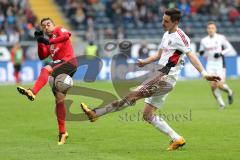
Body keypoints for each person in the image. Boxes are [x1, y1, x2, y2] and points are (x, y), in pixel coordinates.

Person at [80, 8, 221, 151]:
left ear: (176, 22)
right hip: (160, 76)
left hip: (164, 78)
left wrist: (204, 74)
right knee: (147, 115)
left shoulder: (180, 37)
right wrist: (145, 62)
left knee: (131, 96)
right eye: (163, 19)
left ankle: (95, 114)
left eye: (166, 21)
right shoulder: (166, 34)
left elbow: (191, 55)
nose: (162, 23)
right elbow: (159, 54)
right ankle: (177, 139)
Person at [16, 17, 77, 145]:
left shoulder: (59, 29)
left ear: (53, 25)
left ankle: (32, 91)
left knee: (46, 69)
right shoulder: (50, 42)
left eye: (48, 24)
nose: (46, 27)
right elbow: (42, 55)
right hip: (60, 68)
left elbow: (66, 36)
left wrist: (48, 41)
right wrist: (39, 41)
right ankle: (63, 132)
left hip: (69, 62)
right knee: (59, 100)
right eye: (43, 26)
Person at [199, 21, 234, 108]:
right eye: (209, 28)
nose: (211, 30)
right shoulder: (204, 40)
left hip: (220, 64)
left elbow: (229, 48)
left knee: (220, 84)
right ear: (207, 30)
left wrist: (221, 53)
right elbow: (201, 53)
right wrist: (201, 52)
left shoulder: (221, 38)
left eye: (212, 28)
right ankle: (221, 104)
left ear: (215, 29)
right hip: (210, 64)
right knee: (213, 85)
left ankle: (230, 92)